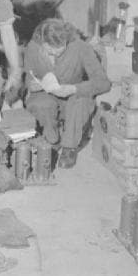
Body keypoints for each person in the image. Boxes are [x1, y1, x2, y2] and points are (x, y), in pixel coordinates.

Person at [23, 17, 111, 168]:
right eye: (49, 50)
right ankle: (52, 140)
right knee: (40, 104)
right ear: (42, 41)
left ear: (66, 40)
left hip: (72, 97)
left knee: (80, 102)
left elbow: (103, 83)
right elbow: (28, 77)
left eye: (60, 49)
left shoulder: (81, 48)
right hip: (46, 95)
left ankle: (69, 148)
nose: (55, 54)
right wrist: (33, 85)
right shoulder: (32, 47)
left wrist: (75, 88)